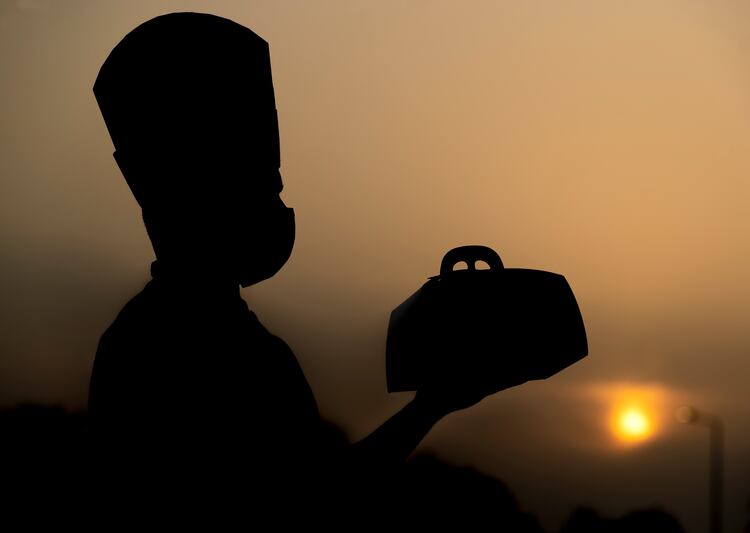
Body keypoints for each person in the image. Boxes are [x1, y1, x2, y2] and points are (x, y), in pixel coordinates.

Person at [89, 12, 496, 525]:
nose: (281, 212)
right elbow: (315, 504)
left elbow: (317, 490)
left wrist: (432, 405)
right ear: (205, 202)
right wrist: (429, 407)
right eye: (268, 190)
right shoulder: (178, 347)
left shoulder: (160, 336)